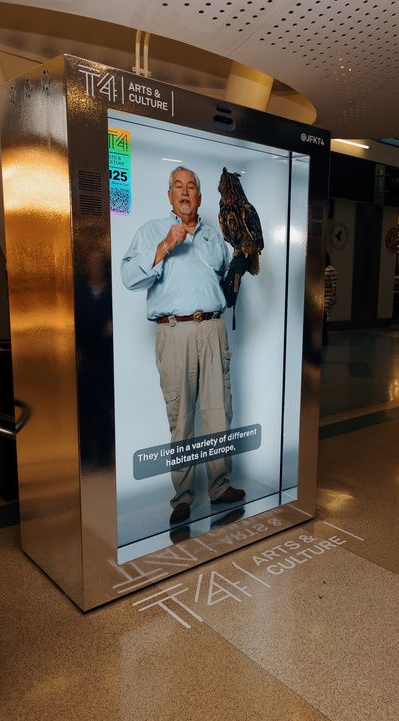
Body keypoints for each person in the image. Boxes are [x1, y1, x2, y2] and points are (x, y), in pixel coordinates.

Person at [121, 166, 246, 525]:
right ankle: (183, 496)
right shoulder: (151, 232)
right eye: (179, 186)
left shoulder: (213, 237)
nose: (186, 192)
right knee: (182, 420)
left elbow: (227, 274)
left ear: (200, 197)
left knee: (219, 411)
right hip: (173, 331)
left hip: (212, 329)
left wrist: (240, 264)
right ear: (170, 196)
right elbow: (129, 278)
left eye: (192, 186)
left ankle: (220, 487)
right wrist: (164, 248)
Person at [323, 252, 338, 346]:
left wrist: (333, 296)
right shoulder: (322, 269)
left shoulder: (330, 269)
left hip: (327, 297)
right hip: (321, 297)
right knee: (323, 319)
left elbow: (334, 284)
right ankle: (323, 339)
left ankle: (324, 340)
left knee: (324, 317)